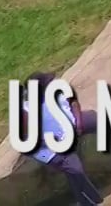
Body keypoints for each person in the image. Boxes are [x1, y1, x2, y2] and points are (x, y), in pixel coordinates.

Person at [23, 73, 104, 205]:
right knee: (75, 169)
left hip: (72, 127)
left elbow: (74, 102)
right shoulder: (27, 110)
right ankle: (89, 201)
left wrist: (78, 122)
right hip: (53, 146)